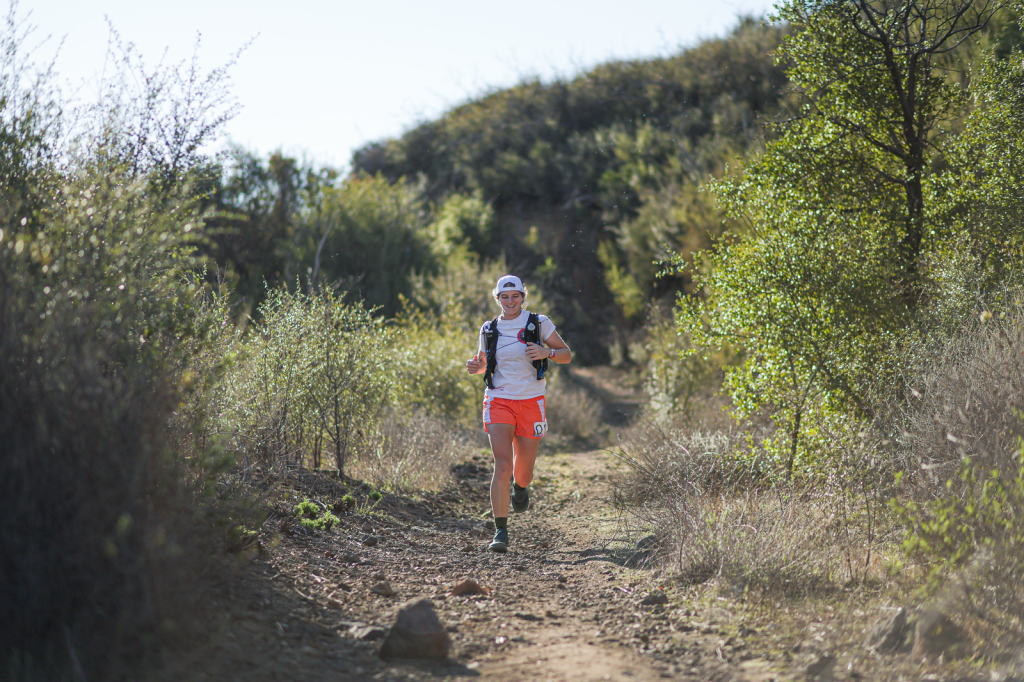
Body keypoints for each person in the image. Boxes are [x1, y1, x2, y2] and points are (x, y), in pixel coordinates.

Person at [466, 275, 572, 552]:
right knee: (502, 464)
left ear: (523, 296)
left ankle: (521, 487)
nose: (510, 301)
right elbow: (483, 365)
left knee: (522, 472)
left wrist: (546, 352)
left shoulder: (538, 323)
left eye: (515, 296)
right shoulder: (488, 329)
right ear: (497, 299)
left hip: (531, 401)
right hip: (498, 399)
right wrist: (475, 367)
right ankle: (500, 531)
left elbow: (566, 354)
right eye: (504, 296)